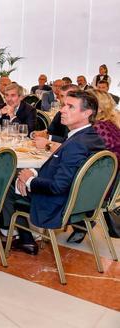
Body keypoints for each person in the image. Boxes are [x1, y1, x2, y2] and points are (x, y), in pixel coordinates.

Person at [2, 91, 106, 255]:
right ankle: (20, 234)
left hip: (58, 204)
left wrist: (29, 181)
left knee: (6, 184)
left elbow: (58, 186)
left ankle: (22, 237)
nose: (62, 110)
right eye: (64, 105)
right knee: (19, 177)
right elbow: (65, 172)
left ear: (87, 113)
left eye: (70, 107)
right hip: (82, 202)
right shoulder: (91, 137)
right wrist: (34, 173)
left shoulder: (76, 144)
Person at [66, 89, 120, 244]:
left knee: (46, 175)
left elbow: (76, 154)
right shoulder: (111, 124)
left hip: (92, 188)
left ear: (99, 108)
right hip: (107, 184)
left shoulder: (98, 128)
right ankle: (81, 222)